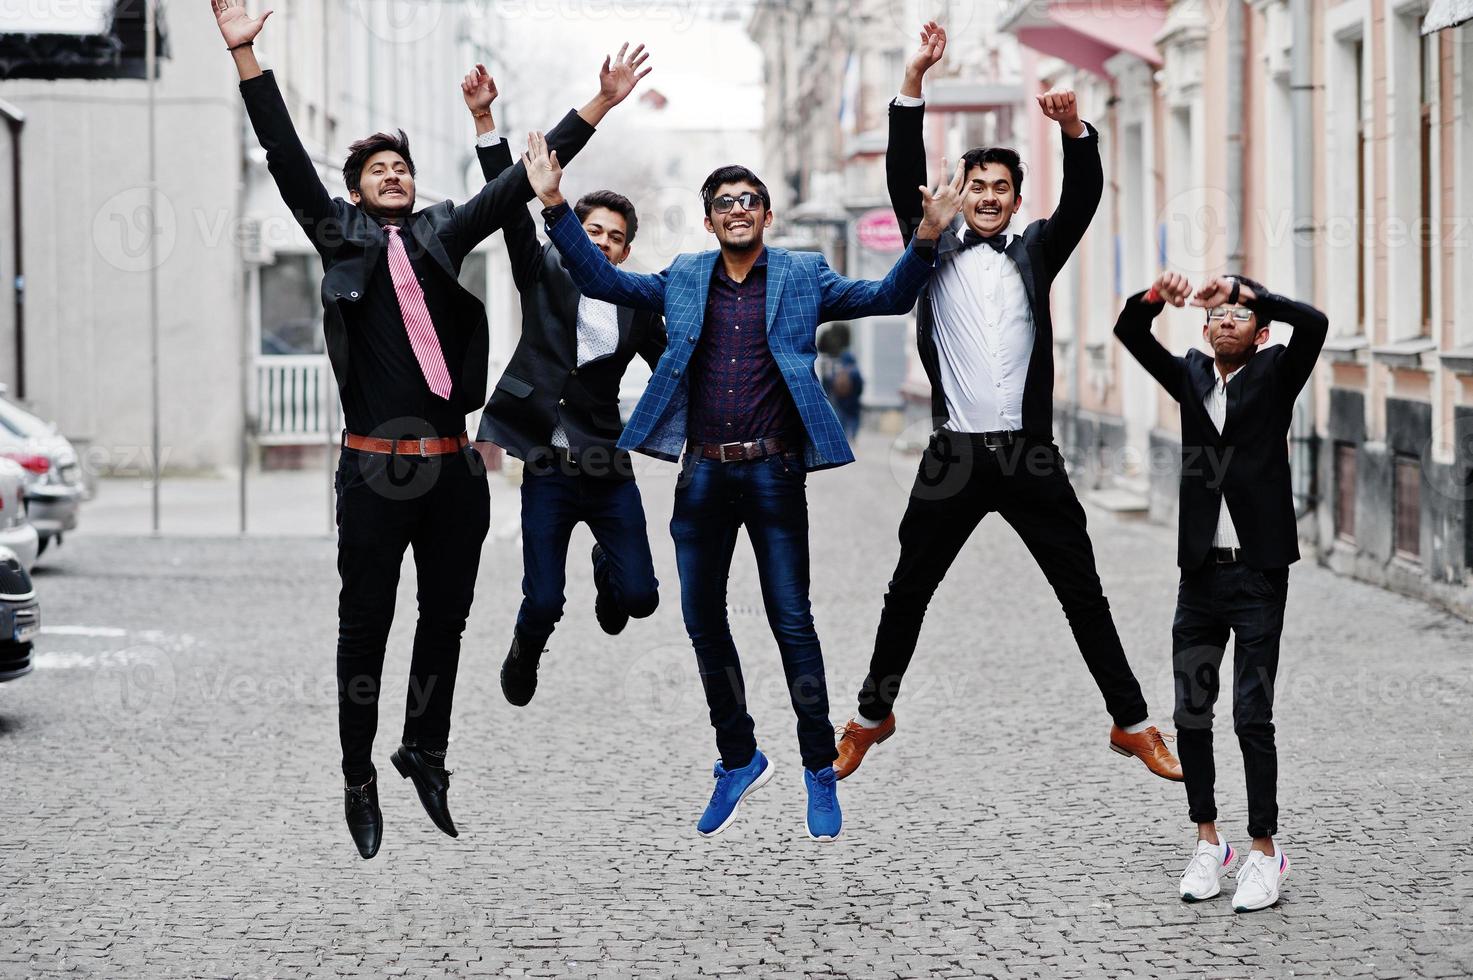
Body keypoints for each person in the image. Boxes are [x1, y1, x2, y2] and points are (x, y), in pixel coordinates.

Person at [212, 0, 647, 859]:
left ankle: (426, 749)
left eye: (401, 167)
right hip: (374, 473)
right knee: (364, 627)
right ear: (355, 190)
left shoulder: (446, 230)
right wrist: (246, 61)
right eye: (377, 169)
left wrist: (596, 105)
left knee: (444, 620)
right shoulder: (338, 239)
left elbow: (525, 178)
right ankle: (358, 773)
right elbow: (285, 157)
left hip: (452, 470)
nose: (393, 175)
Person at [523, 131, 959, 841]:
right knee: (701, 620)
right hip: (700, 474)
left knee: (792, 621)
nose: (738, 209)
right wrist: (552, 204)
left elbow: (887, 296)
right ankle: (737, 756)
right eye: (724, 202)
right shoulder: (683, 277)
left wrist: (927, 236)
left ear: (765, 215)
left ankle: (819, 767)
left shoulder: (802, 276)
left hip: (773, 473)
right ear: (707, 219)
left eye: (749, 200)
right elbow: (603, 280)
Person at [833, 21, 1183, 784]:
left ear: (1017, 199)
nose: (987, 199)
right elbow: (902, 175)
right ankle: (869, 716)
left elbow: (1085, 197)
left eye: (999, 190)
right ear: (958, 195)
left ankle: (1132, 724)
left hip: (1028, 454)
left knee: (1082, 593)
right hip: (953, 453)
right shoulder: (931, 246)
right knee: (907, 592)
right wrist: (915, 78)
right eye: (976, 188)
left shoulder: (1034, 250)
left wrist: (1072, 130)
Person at [1113, 271, 1327, 912]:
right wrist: (1157, 297)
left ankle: (1266, 851)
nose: (1227, 319)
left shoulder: (1277, 372)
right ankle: (1210, 842)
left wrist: (1253, 290)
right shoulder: (1190, 376)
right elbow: (1129, 329)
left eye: (1241, 314)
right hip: (1200, 574)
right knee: (1191, 714)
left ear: (1259, 332)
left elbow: (1312, 324)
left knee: (1251, 717)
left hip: (1259, 573)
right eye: (1219, 314)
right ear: (1205, 330)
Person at [459, 62, 666, 707]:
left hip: (607, 461)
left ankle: (610, 569)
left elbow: (674, 369)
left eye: (616, 238)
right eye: (594, 231)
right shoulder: (543, 271)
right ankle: (526, 647)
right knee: (544, 597)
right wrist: (485, 121)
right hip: (546, 462)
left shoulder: (637, 303)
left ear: (626, 252)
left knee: (641, 597)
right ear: (575, 232)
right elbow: (507, 202)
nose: (603, 243)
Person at [817, 323, 864, 441]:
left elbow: (820, 347)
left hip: (830, 372)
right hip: (846, 376)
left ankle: (839, 432)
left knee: (834, 404)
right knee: (851, 408)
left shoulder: (826, 333)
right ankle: (852, 433)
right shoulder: (847, 351)